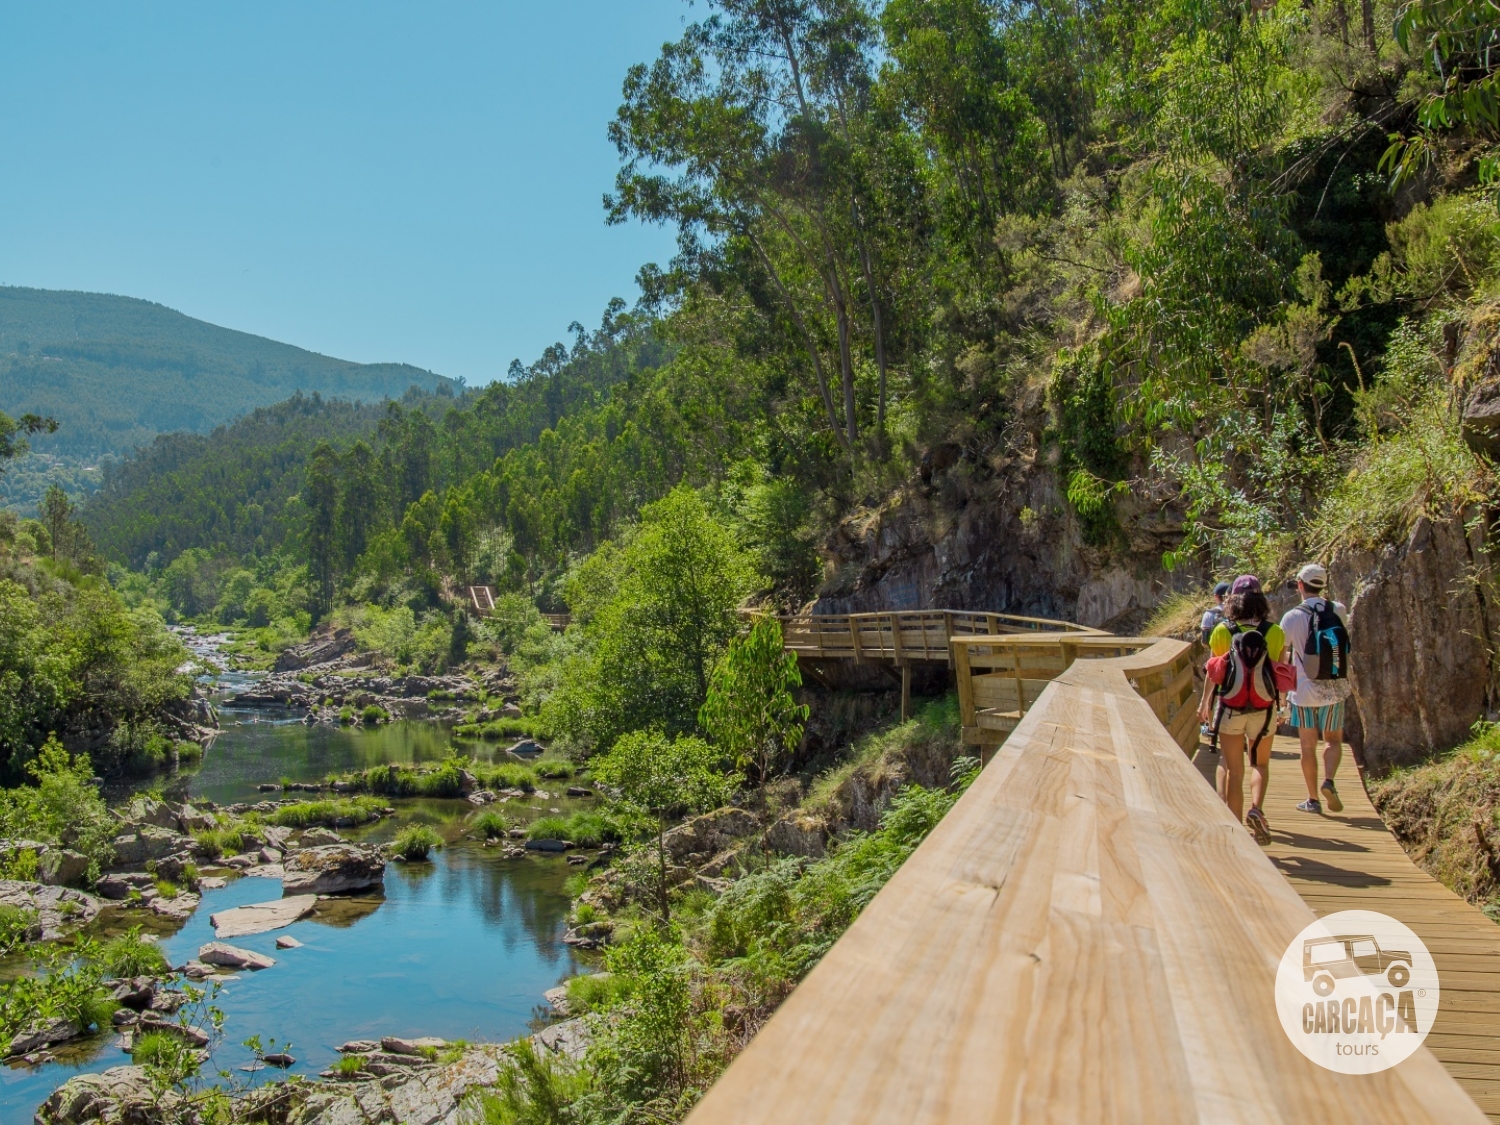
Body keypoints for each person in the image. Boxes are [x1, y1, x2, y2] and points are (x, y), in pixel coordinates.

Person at [1199, 580, 1289, 845]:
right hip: (1264, 709)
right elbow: (1281, 674)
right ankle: (1256, 808)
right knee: (1259, 764)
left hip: (1230, 708)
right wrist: (1282, 706)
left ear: (1232, 600)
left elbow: (1214, 673)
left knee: (1233, 771)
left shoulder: (1221, 631)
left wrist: (1205, 703)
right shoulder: (1275, 632)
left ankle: (1235, 833)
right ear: (1261, 601)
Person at [1280, 563, 1352, 815]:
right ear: (1323, 584)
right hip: (1334, 688)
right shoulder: (1339, 610)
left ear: (1300, 585)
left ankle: (1312, 799)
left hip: (1304, 691)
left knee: (1307, 746)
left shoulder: (1291, 617)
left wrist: (1281, 695)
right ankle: (1329, 781)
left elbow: (1284, 654)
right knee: (1333, 740)